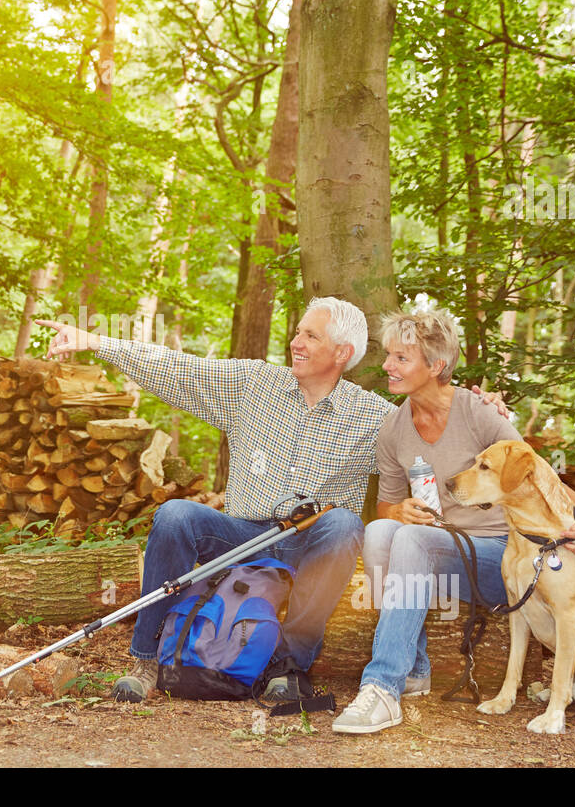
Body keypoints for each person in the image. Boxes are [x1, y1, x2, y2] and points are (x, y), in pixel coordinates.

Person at [36, 297, 507, 703]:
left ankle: (289, 669)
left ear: (342, 353)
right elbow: (178, 369)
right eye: (298, 332)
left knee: (344, 524)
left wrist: (486, 409)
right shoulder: (252, 385)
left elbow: (438, 439)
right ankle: (145, 662)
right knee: (176, 513)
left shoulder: (378, 417)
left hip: (311, 543)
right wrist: (97, 341)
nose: (296, 343)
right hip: (242, 535)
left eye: (311, 336)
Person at [331, 307, 575, 734]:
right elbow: (386, 506)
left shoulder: (478, 412)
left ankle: (382, 687)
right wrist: (398, 510)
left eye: (401, 358)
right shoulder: (392, 430)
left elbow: (538, 473)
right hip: (439, 557)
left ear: (436, 365)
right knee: (381, 531)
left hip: (505, 558)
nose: (387, 365)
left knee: (413, 541)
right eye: (389, 355)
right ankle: (414, 669)